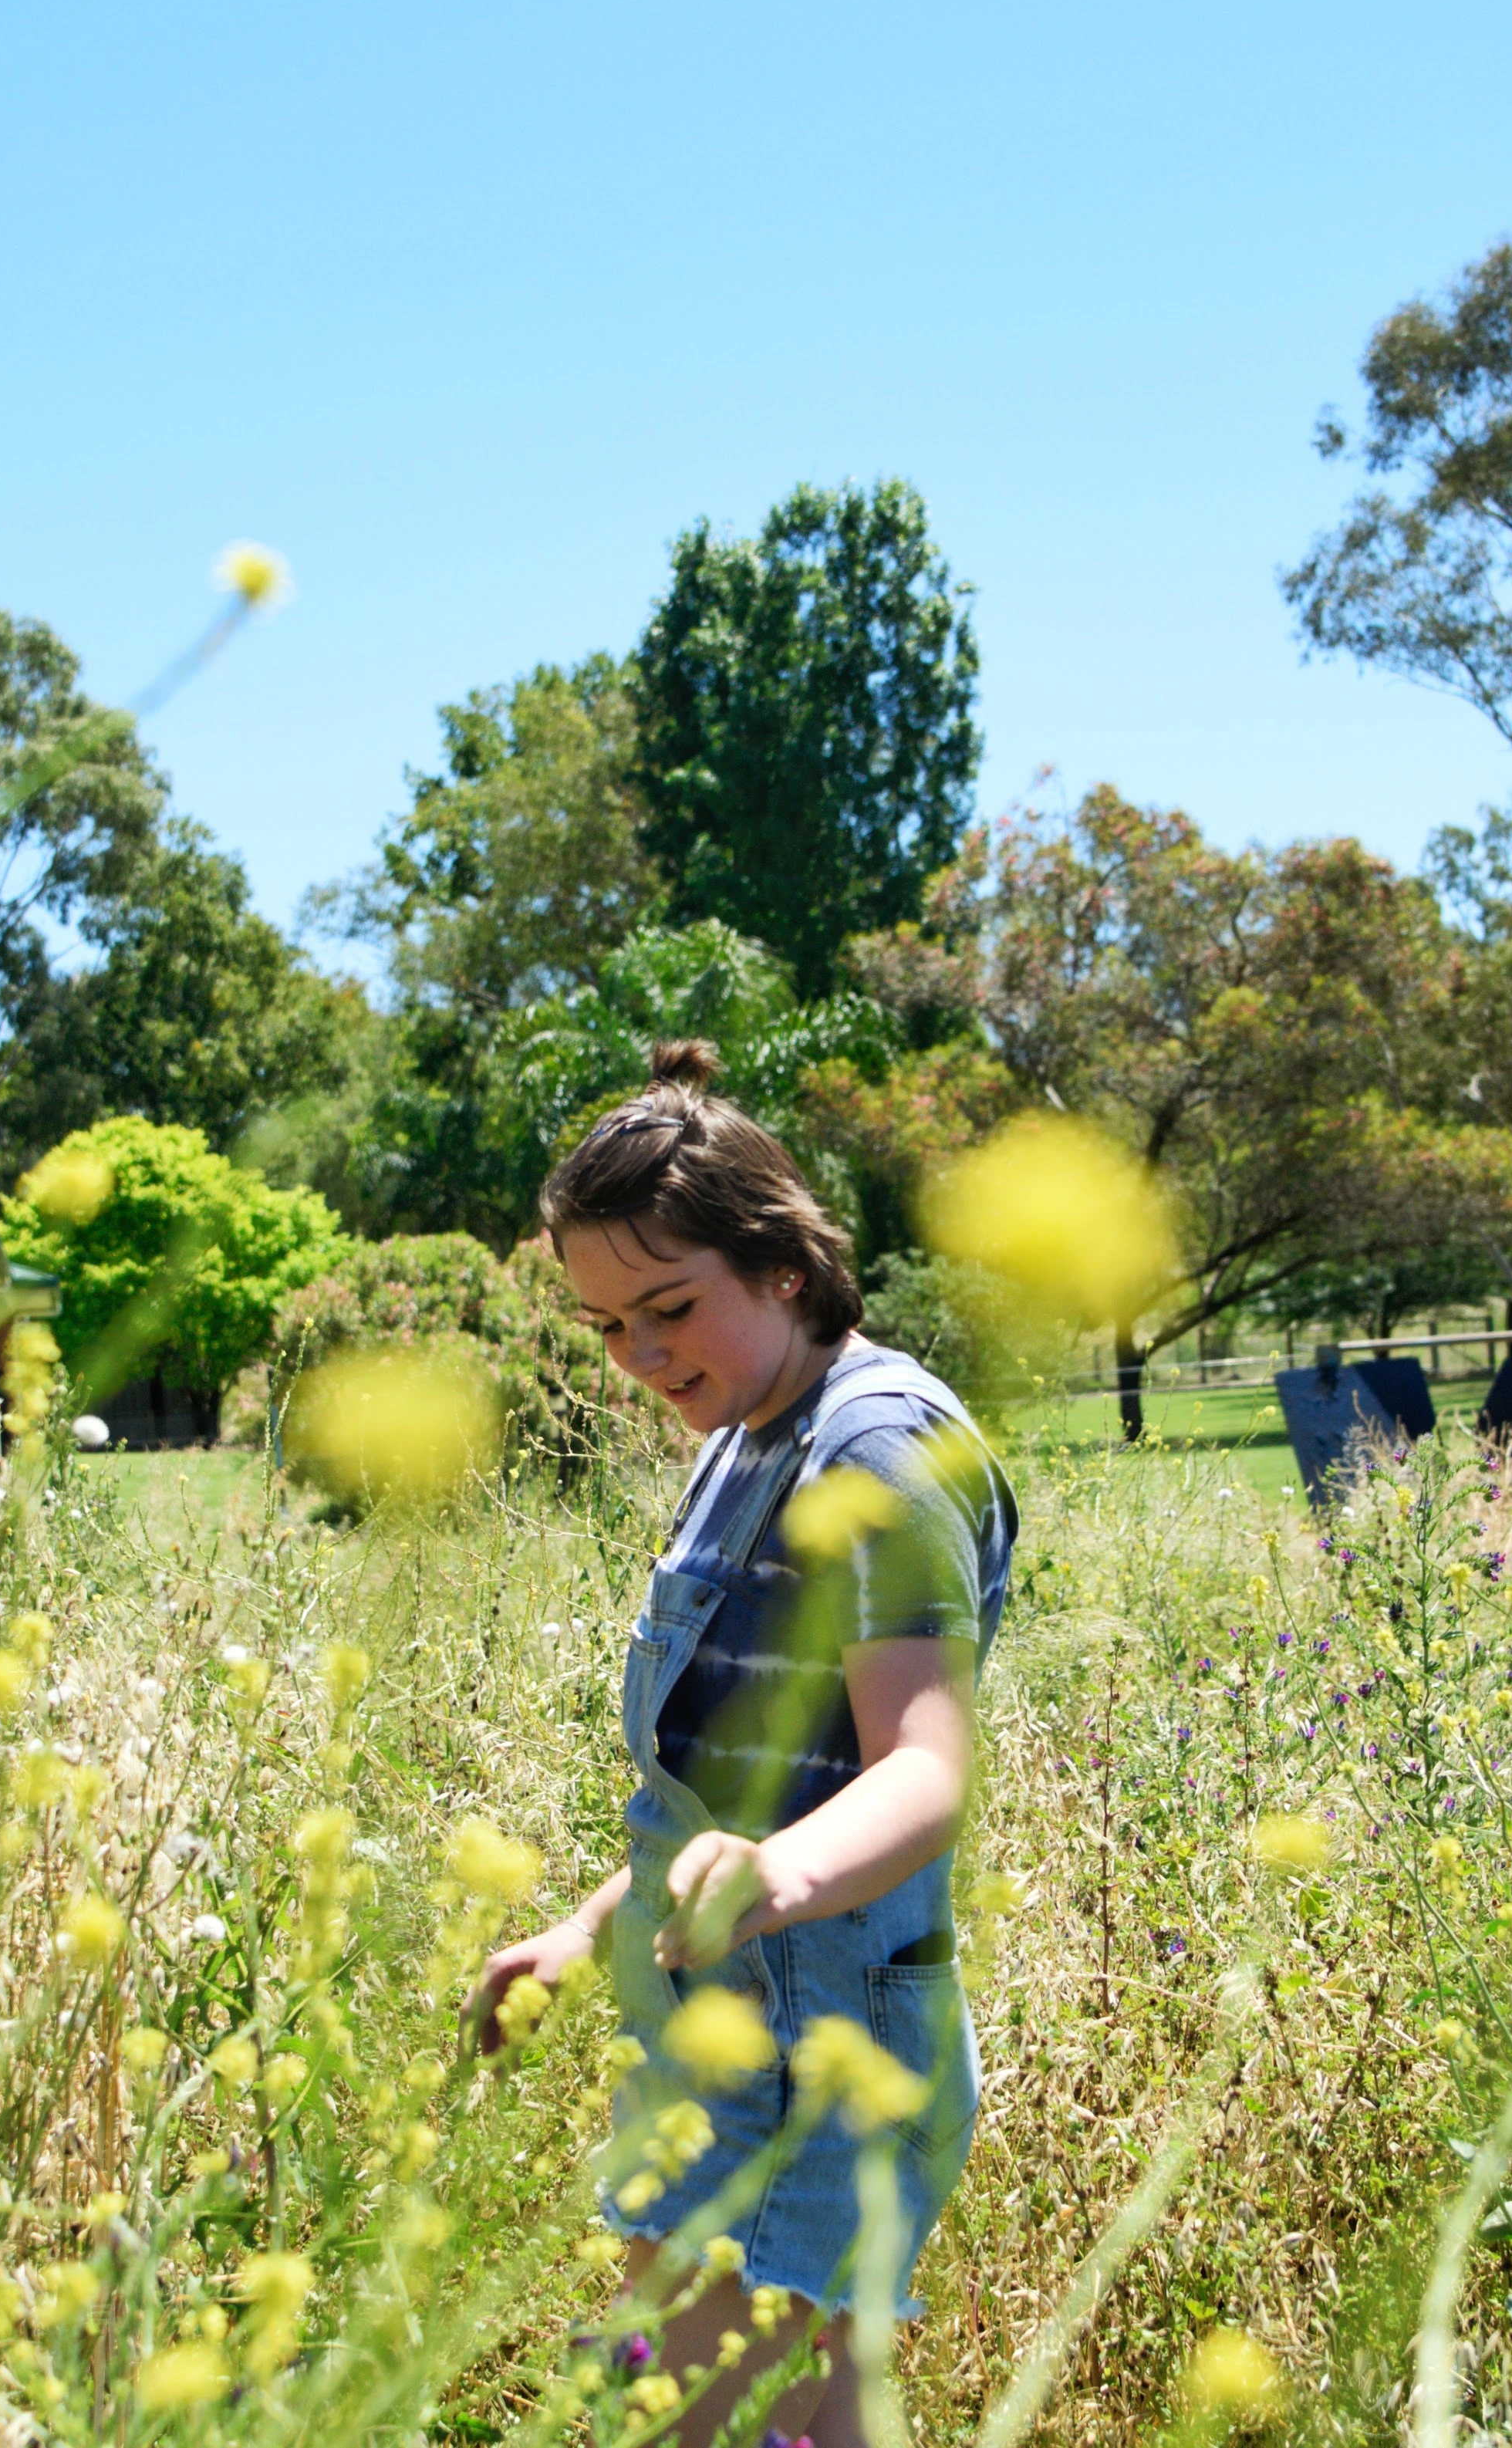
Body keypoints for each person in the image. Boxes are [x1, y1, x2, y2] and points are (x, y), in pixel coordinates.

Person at [467, 1038, 1016, 2448]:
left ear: (781, 1265)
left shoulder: (878, 1453)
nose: (641, 1358)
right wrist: (592, 1928)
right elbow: (732, 1789)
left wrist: (768, 1887)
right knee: (675, 2408)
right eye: (605, 1328)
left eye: (667, 1309)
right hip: (722, 2024)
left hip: (814, 2035)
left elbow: (922, 1767)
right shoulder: (743, 1436)